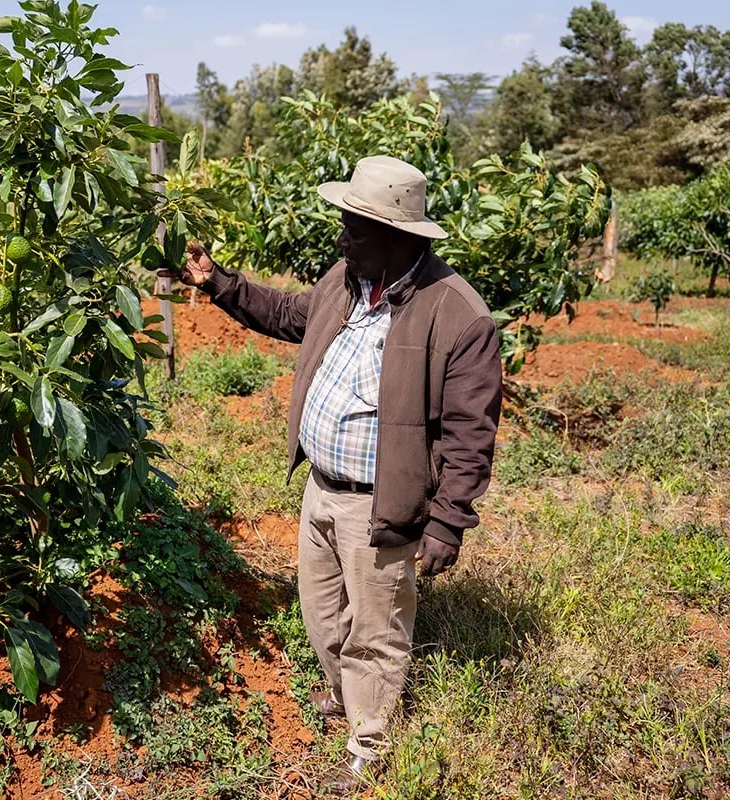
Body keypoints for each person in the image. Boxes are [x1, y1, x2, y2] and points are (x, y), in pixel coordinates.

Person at [167, 155, 502, 794]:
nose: (342, 237)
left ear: (399, 237)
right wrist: (220, 283)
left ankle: (372, 750)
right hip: (322, 487)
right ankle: (345, 695)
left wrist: (448, 523)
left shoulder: (457, 314)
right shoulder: (347, 280)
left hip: (383, 502)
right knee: (323, 616)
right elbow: (290, 315)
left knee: (376, 630)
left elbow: (470, 435)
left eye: (356, 227)